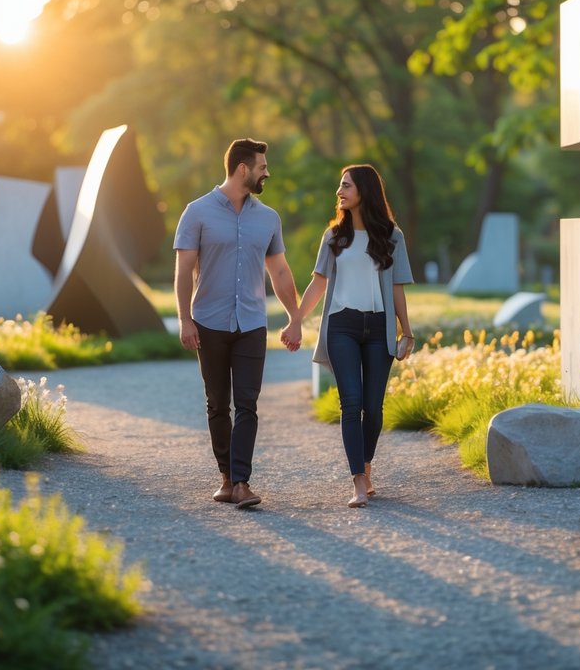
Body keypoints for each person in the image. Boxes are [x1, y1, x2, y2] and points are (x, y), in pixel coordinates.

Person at [174, 138, 301, 510]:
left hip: (251, 323)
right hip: (209, 321)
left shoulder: (268, 218)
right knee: (217, 403)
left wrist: (294, 318)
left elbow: (278, 269)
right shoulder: (196, 212)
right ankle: (226, 477)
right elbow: (183, 271)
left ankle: (242, 482)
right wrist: (185, 319)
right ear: (243, 169)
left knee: (248, 403)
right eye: (262, 167)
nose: (267, 173)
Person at [285, 164, 414, 508]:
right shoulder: (333, 237)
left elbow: (398, 287)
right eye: (339, 186)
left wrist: (407, 330)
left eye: (346, 186)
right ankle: (358, 480)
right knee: (351, 403)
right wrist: (295, 319)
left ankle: (367, 466)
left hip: (378, 329)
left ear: (364, 191)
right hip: (341, 326)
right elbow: (317, 283)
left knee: (373, 408)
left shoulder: (391, 235)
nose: (339, 192)